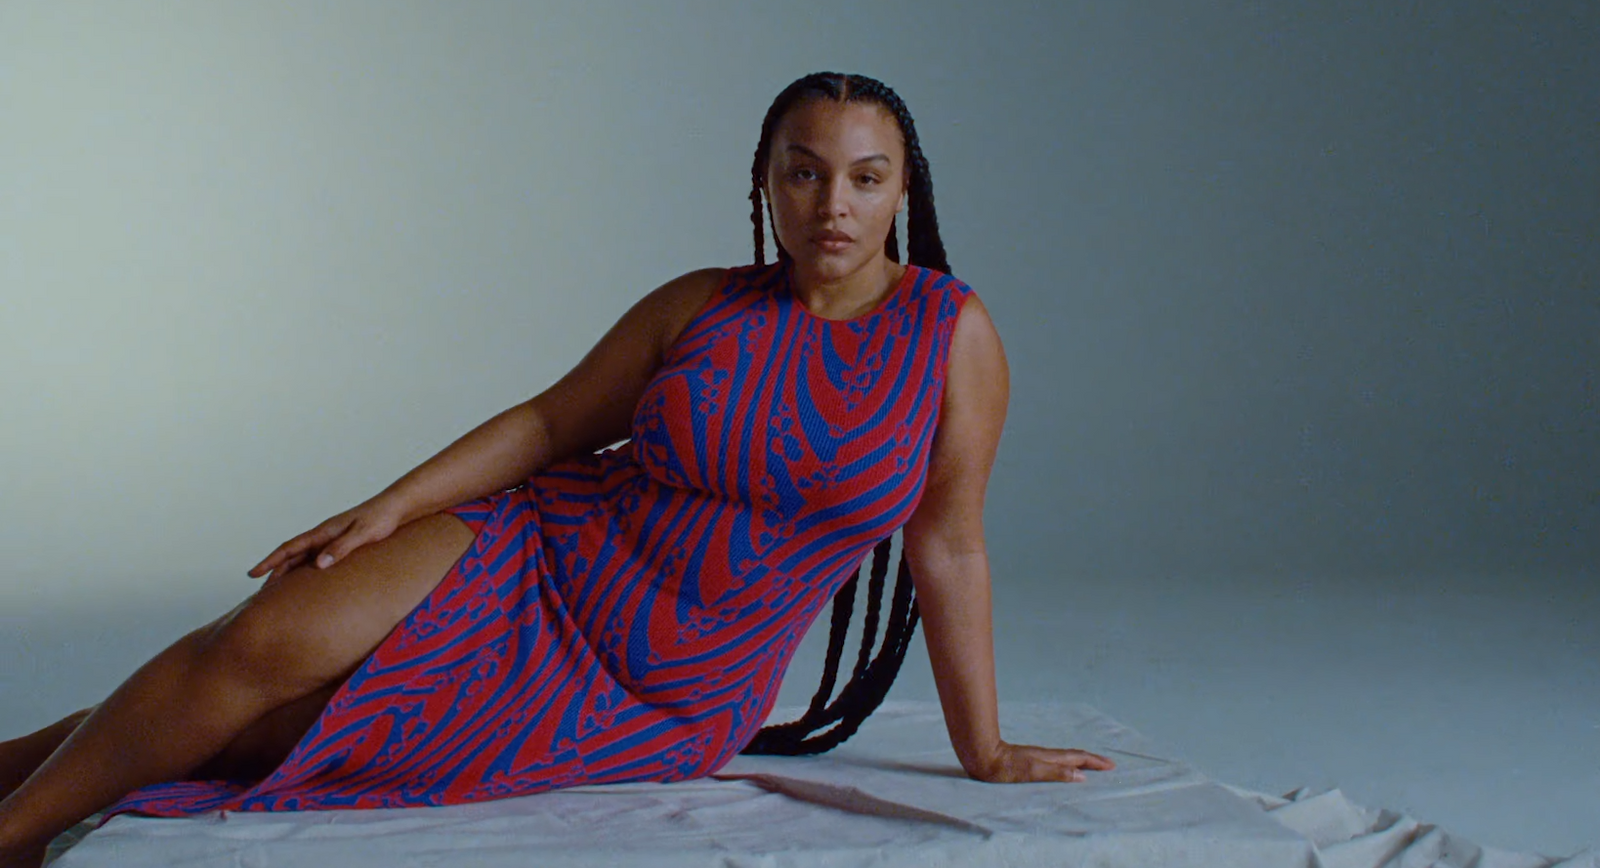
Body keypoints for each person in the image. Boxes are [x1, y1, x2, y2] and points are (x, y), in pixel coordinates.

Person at [0, 72, 1114, 867]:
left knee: (284, 732)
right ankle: (15, 828)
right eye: (804, 172)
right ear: (765, 182)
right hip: (546, 549)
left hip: (670, 683)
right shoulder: (701, 304)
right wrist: (386, 505)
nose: (833, 205)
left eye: (865, 178)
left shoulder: (950, 336)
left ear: (903, 191)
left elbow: (947, 538)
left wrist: (985, 747)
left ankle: (13, 769)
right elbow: (545, 427)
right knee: (260, 640)